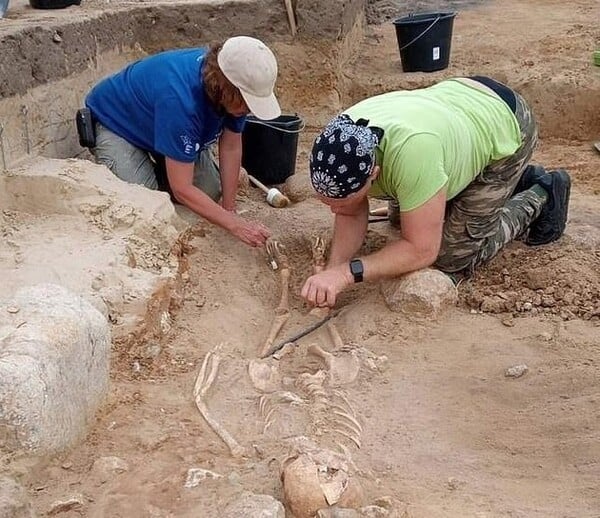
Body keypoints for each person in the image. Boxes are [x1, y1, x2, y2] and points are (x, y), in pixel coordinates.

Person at [301, 76, 571, 307]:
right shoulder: (339, 140)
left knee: (450, 256)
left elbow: (422, 250)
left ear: (374, 173)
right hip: (456, 110)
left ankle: (541, 192)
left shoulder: (414, 154)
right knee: (400, 222)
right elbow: (349, 211)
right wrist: (333, 268)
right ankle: (505, 182)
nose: (334, 210)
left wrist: (347, 274)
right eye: (328, 203)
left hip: (506, 121)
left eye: (342, 201)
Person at [84, 36, 281, 247]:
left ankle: (170, 159)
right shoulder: (182, 101)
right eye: (247, 103)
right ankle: (160, 166)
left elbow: (231, 146)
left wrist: (229, 210)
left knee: (209, 190)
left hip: (161, 125)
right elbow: (182, 188)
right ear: (225, 88)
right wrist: (235, 225)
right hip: (118, 125)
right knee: (146, 203)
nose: (249, 110)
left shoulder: (234, 86)